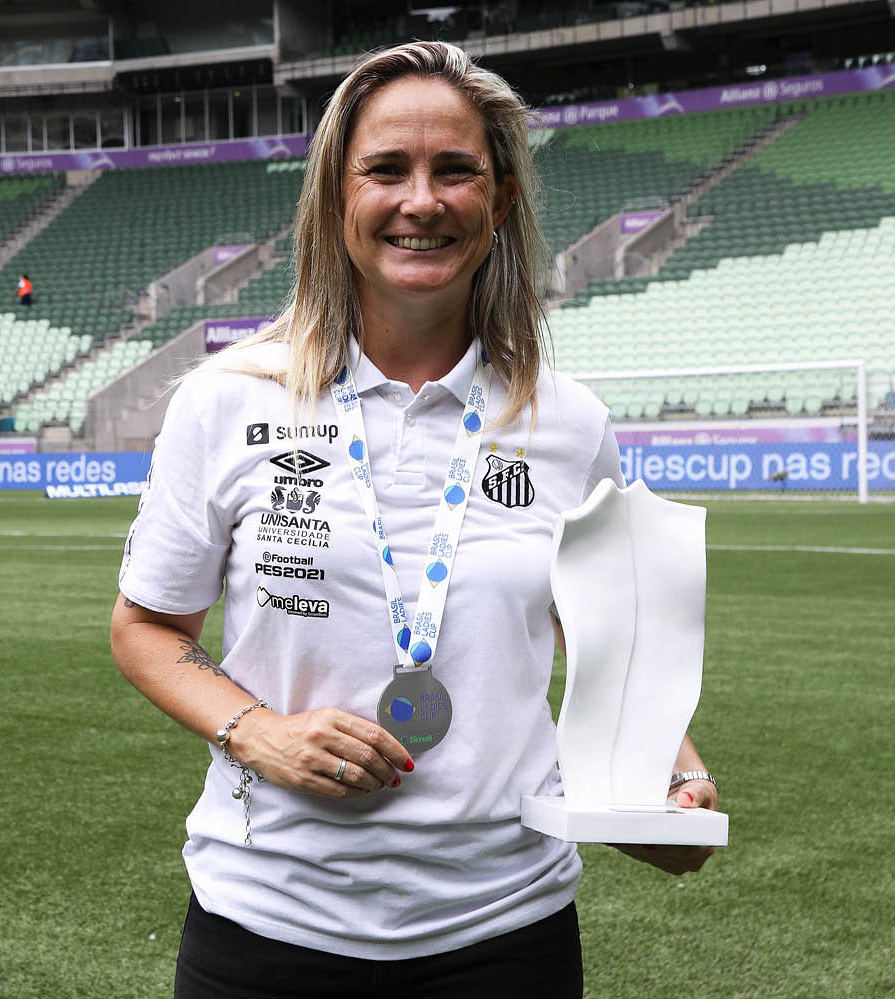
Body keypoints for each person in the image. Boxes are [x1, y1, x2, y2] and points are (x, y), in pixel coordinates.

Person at [107, 42, 719, 999]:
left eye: (457, 171)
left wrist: (671, 783)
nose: (421, 201)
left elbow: (610, 643)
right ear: (335, 199)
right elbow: (146, 627)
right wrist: (257, 731)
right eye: (386, 169)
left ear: (502, 199)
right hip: (265, 923)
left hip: (504, 930)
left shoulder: (570, 422)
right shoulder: (224, 400)